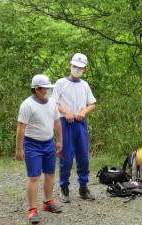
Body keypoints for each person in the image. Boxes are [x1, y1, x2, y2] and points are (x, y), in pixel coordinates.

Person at [16, 74, 63, 224]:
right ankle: (32, 210)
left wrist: (60, 140)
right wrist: (19, 149)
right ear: (37, 89)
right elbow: (21, 128)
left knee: (50, 174)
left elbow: (57, 122)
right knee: (34, 177)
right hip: (32, 145)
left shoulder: (52, 103)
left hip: (48, 143)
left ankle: (48, 202)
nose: (48, 91)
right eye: (46, 89)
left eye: (50, 88)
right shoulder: (27, 105)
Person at [52, 53, 96, 203]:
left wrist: (84, 111)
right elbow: (53, 103)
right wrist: (66, 111)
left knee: (83, 157)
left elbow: (92, 103)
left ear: (85, 69)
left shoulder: (84, 85)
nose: (77, 69)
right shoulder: (60, 83)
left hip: (80, 123)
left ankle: (83, 187)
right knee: (66, 157)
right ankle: (64, 188)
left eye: (80, 67)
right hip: (65, 123)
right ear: (70, 65)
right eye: (75, 66)